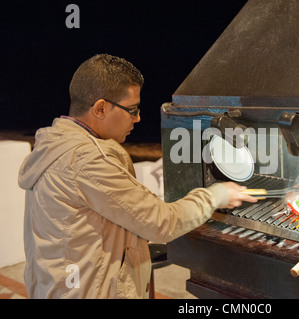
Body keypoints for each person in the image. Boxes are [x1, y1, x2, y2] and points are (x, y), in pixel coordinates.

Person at [17, 54, 257, 299]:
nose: (137, 118)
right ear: (100, 108)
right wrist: (216, 195)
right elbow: (161, 223)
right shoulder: (88, 160)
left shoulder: (57, 146)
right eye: (131, 110)